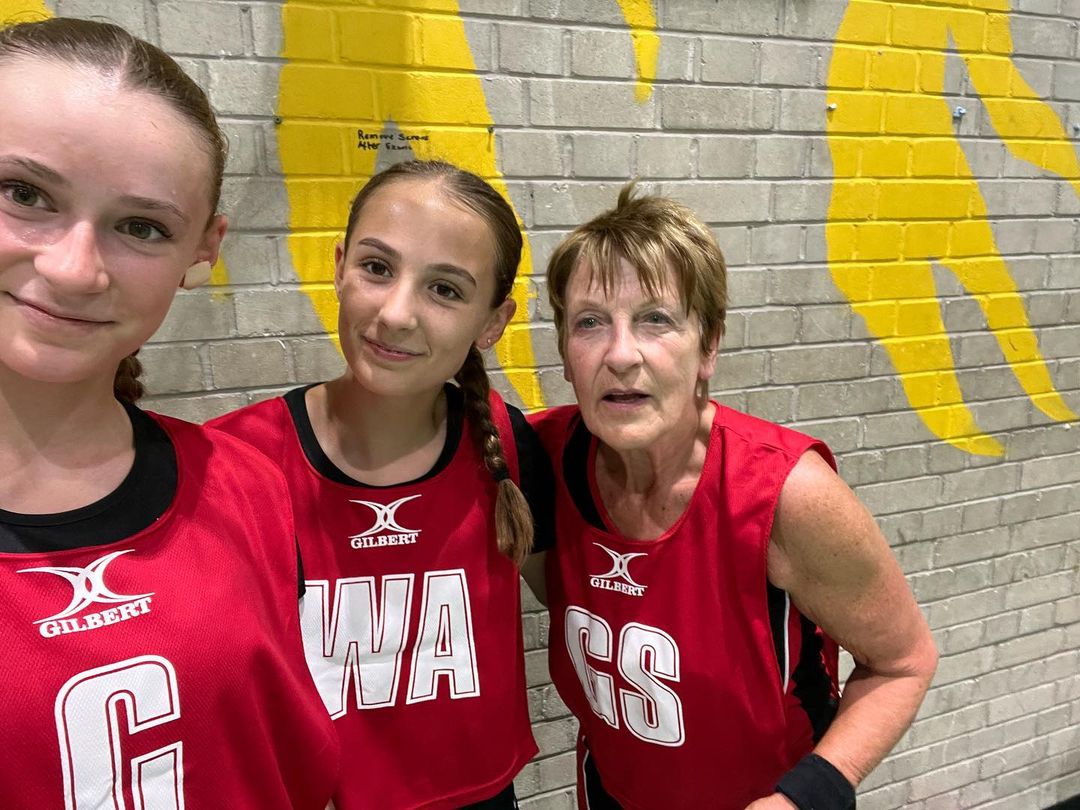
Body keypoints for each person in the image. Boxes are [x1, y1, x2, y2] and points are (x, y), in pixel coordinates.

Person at [0, 17, 338, 808]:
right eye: (23, 194)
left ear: (203, 247)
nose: (75, 268)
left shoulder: (248, 489)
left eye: (141, 227)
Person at [530, 186, 938, 810]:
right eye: (590, 322)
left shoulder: (786, 493)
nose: (619, 354)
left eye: (655, 319)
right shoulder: (539, 463)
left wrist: (804, 797)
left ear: (709, 347)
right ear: (564, 352)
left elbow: (904, 662)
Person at [209, 159, 554, 810]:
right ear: (340, 266)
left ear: (493, 321)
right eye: (377, 267)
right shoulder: (235, 462)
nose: (396, 313)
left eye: (445, 290)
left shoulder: (507, 447)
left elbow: (589, 603)